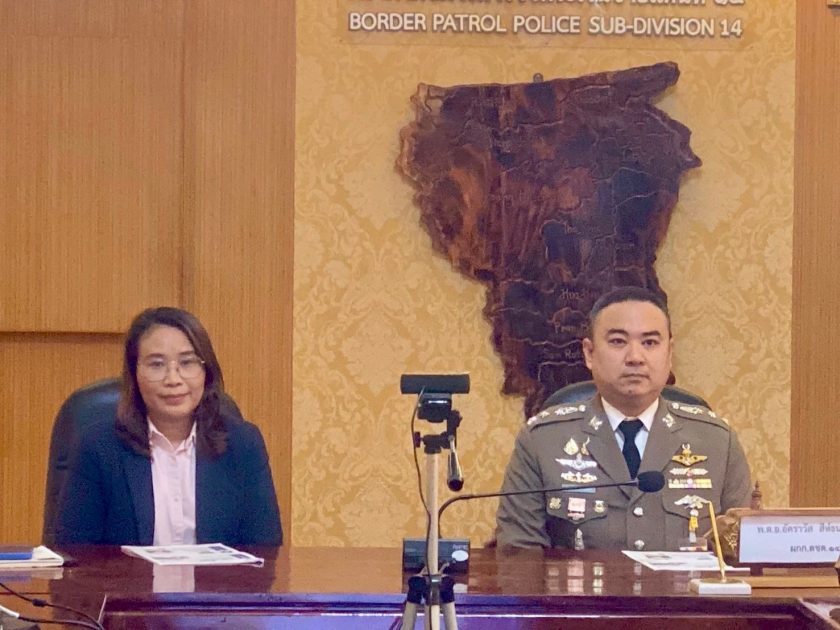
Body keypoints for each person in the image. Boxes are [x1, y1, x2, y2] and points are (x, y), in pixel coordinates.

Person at [495, 286, 751, 551]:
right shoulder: (543, 441)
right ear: (589, 353)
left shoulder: (717, 442)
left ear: (669, 353)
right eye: (618, 341)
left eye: (649, 343)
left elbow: (743, 551)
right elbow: (519, 554)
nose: (635, 358)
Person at [55, 307, 282, 546]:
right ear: (134, 373)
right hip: (126, 573)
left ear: (206, 371)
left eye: (187, 362)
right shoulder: (98, 448)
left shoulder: (243, 444)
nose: (173, 379)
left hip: (220, 574)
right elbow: (76, 552)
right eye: (156, 365)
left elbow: (265, 550)